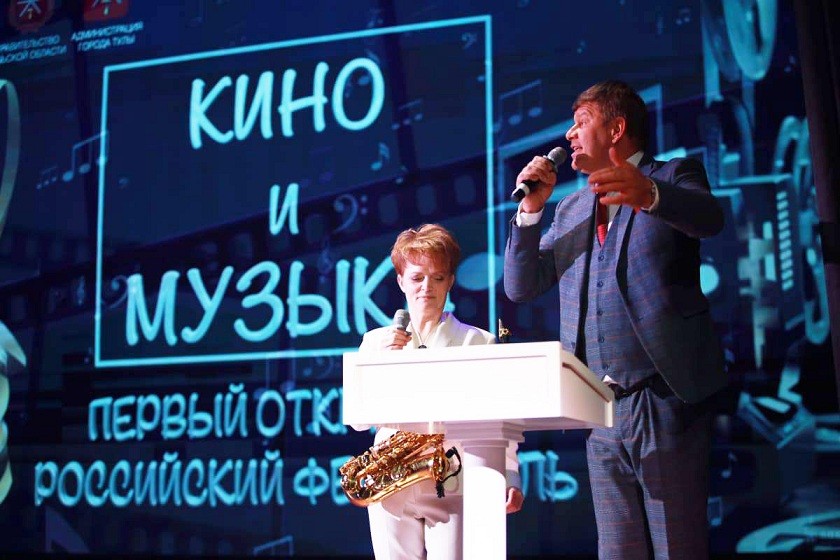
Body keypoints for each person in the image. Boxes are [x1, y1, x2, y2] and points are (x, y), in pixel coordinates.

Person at [504, 80, 727, 559]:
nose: (569, 134)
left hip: (663, 397)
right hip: (600, 406)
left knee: (677, 547)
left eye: (581, 122)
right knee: (617, 550)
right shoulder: (571, 209)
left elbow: (709, 219)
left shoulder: (673, 175)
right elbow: (521, 286)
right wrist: (530, 211)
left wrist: (649, 194)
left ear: (617, 128)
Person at [358, 223, 524, 560]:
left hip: (453, 478)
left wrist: (510, 475)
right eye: (417, 277)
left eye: (437, 277)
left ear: (450, 281)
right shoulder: (375, 342)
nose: (426, 287)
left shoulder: (477, 341)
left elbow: (499, 420)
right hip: (390, 482)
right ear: (401, 281)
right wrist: (380, 363)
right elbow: (358, 421)